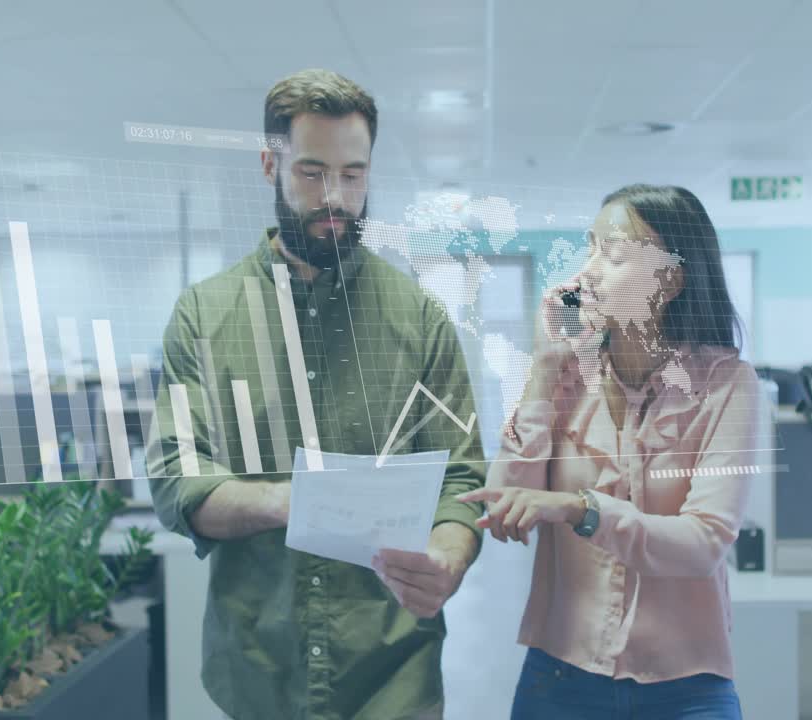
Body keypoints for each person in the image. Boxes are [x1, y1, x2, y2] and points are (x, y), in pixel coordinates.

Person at [148, 69, 485, 720]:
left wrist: (450, 554)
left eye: (353, 175)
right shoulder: (204, 314)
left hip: (396, 677)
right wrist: (295, 500)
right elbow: (176, 479)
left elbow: (463, 476)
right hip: (258, 672)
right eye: (311, 172)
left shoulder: (418, 318)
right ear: (270, 164)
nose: (335, 195)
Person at [460, 184, 762, 719]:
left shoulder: (728, 385)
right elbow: (505, 501)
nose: (589, 270)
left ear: (671, 279)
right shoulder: (567, 375)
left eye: (614, 254)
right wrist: (544, 367)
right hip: (560, 675)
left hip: (686, 684)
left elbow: (704, 541)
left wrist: (582, 508)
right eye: (590, 248)